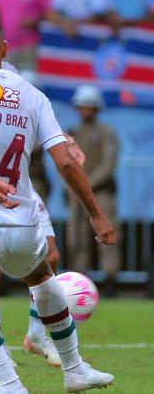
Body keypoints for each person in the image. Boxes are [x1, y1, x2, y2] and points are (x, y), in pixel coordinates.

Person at [0, 13, 115, 393]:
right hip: (21, 224)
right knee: (43, 277)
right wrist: (96, 214)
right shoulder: (34, 95)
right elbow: (65, 160)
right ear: (4, 49)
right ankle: (75, 368)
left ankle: (9, 383)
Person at [67, 85, 121, 297]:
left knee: (107, 237)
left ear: (97, 108)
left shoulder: (106, 132)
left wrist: (86, 184)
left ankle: (110, 282)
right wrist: (74, 186)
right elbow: (64, 164)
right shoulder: (71, 133)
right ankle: (80, 285)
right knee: (76, 239)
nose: (85, 109)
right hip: (77, 193)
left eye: (90, 105)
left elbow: (109, 163)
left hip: (102, 193)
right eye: (82, 105)